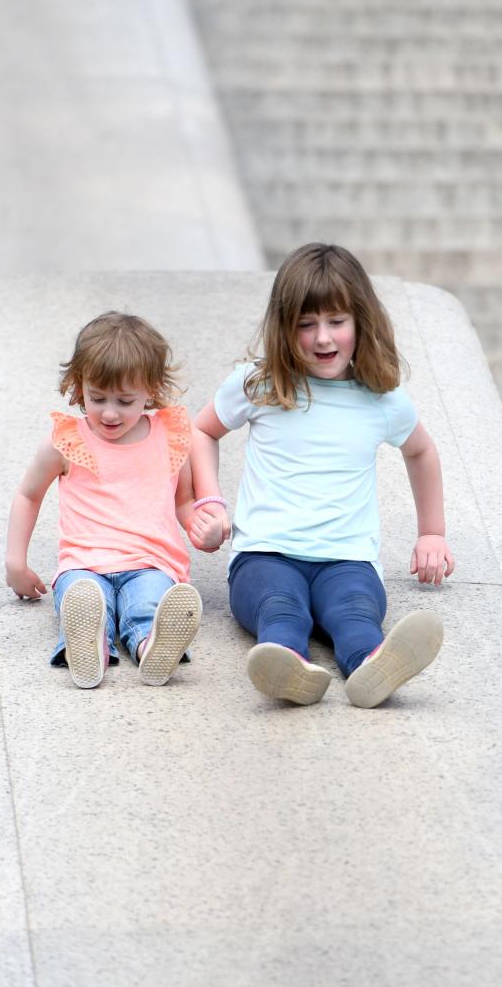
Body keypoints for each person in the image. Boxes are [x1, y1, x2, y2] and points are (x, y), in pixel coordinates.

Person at [190, 243, 454, 709]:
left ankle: (373, 664)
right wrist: (209, 501)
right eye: (305, 324)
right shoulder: (261, 384)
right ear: (283, 327)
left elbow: (422, 451)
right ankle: (286, 665)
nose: (322, 338)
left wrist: (432, 533)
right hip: (264, 556)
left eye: (336, 321)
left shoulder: (382, 398)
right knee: (280, 608)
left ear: (361, 322)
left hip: (347, 559)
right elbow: (200, 431)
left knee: (354, 612)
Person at [5, 311, 226, 689]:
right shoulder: (66, 440)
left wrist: (202, 528)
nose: (109, 412)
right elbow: (29, 495)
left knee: (147, 606)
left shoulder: (169, 437)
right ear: (79, 386)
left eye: (125, 400)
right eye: (97, 397)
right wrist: (15, 562)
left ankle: (152, 647)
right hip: (84, 562)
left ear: (151, 390)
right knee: (84, 599)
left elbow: (183, 500)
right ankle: (89, 646)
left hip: (151, 561)